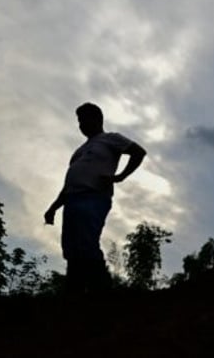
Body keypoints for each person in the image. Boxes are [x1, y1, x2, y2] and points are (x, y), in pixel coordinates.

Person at [44, 102, 146, 296]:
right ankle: (74, 291)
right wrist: (53, 207)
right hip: (72, 200)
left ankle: (101, 290)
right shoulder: (79, 151)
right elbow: (69, 184)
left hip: (93, 197)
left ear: (98, 119)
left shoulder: (110, 139)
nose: (81, 124)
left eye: (85, 119)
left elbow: (138, 152)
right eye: (79, 121)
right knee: (72, 249)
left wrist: (120, 176)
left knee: (87, 243)